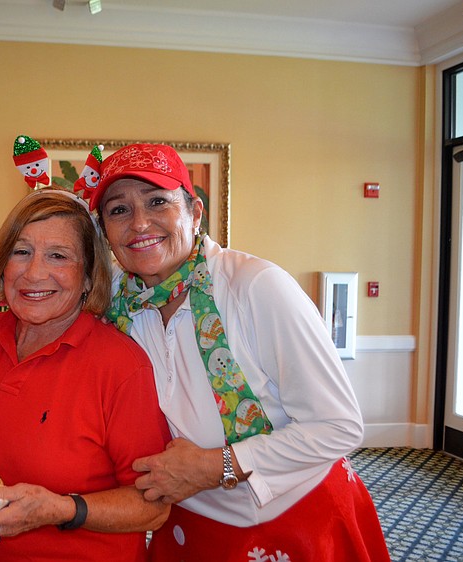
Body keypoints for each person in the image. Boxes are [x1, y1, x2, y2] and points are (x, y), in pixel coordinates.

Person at [88, 143, 391, 561]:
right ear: (105, 231)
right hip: (189, 527)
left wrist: (215, 466)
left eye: (157, 201)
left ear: (195, 213)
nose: (139, 223)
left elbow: (338, 426)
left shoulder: (256, 286)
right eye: (119, 210)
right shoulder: (116, 307)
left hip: (298, 519)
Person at [0, 190, 171, 561]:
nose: (34, 273)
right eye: (21, 252)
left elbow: (154, 507)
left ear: (88, 277)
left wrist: (63, 509)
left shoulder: (121, 366)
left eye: (58, 256)